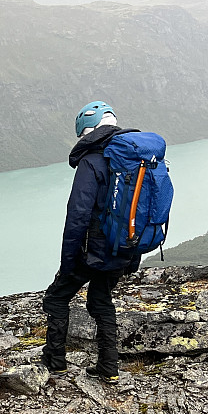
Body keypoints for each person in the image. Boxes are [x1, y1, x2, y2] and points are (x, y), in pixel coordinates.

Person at [41, 101, 140, 385]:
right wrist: (132, 257)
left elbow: (78, 215)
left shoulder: (91, 161)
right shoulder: (133, 158)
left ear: (88, 130)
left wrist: (68, 261)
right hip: (123, 248)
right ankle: (109, 367)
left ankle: (55, 361)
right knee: (101, 300)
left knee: (57, 298)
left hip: (91, 251)